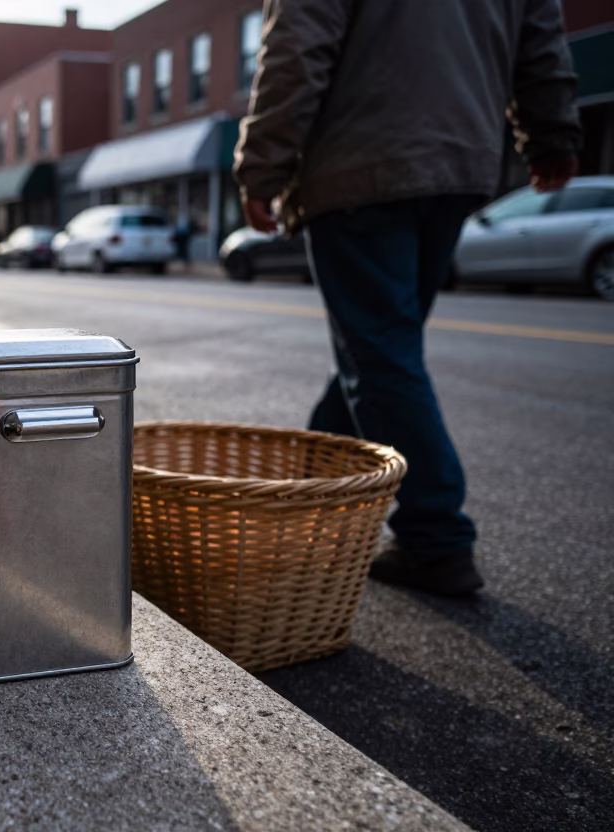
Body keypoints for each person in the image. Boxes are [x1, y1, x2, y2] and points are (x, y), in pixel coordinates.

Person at [234, 0, 580, 596]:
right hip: (459, 160)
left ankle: (435, 537)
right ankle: (311, 504)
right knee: (378, 348)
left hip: (362, 165)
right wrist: (551, 134)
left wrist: (260, 165)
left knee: (380, 354)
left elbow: (297, 46)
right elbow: (541, 39)